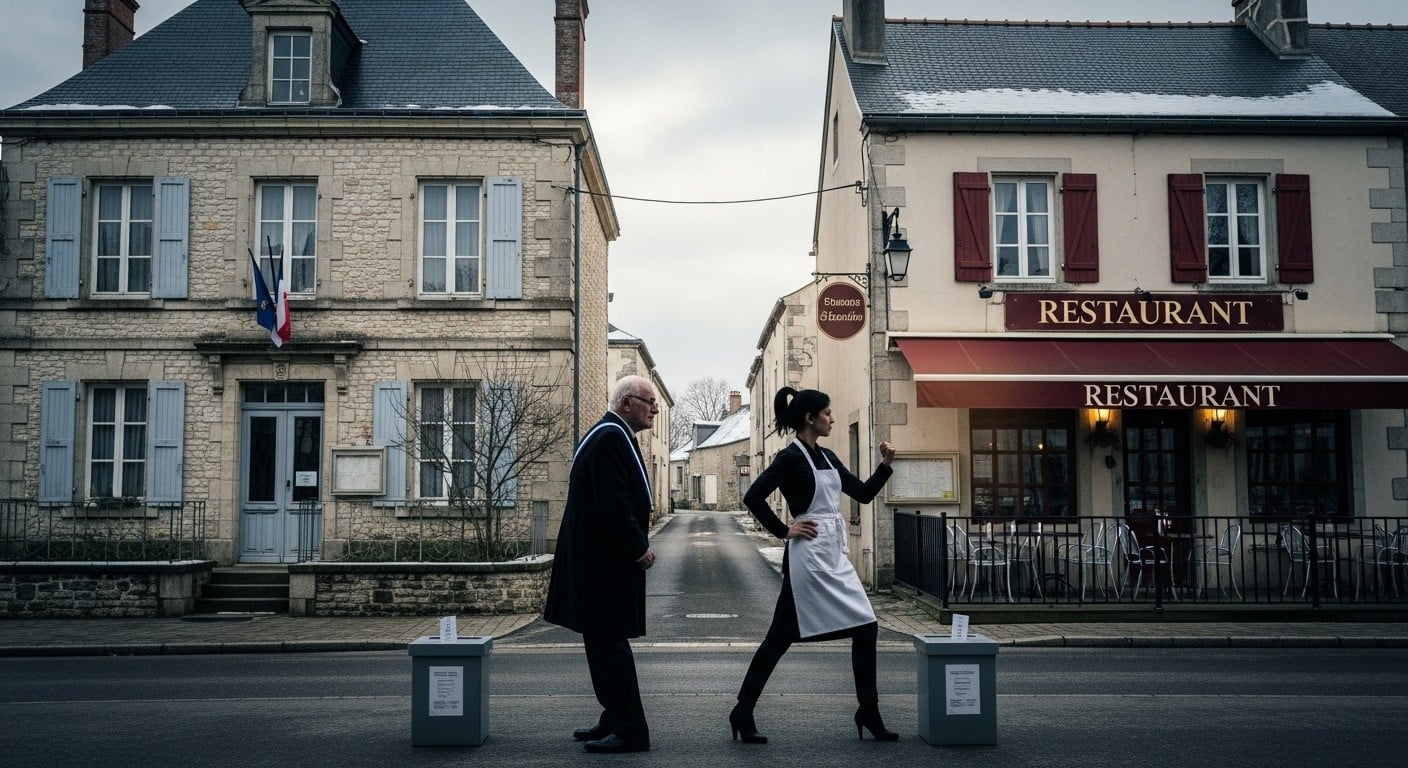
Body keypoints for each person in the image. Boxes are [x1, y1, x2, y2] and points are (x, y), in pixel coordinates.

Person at [730, 387, 899, 744]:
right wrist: (784, 530)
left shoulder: (829, 457)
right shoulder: (789, 458)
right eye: (827, 413)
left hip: (833, 556)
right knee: (779, 639)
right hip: (808, 559)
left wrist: (885, 466)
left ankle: (868, 710)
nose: (832, 418)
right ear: (810, 419)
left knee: (866, 627)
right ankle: (743, 711)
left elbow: (863, 494)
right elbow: (753, 496)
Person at [543, 375, 659, 753]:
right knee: (609, 644)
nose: (655, 408)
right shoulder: (612, 437)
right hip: (605, 564)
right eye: (649, 401)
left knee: (602, 642)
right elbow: (614, 503)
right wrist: (637, 547)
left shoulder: (609, 433)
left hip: (598, 563)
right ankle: (629, 728)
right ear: (627, 403)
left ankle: (615, 716)